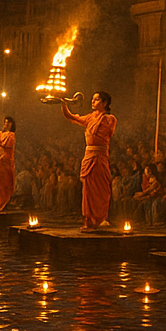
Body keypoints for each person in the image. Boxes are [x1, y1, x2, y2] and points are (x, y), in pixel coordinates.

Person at [61, 92, 116, 231]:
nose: (93, 101)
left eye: (96, 99)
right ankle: (89, 220)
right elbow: (71, 117)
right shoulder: (90, 118)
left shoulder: (109, 119)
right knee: (88, 191)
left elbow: (107, 133)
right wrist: (63, 103)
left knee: (100, 190)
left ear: (104, 103)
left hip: (100, 156)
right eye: (92, 99)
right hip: (88, 156)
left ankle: (100, 218)